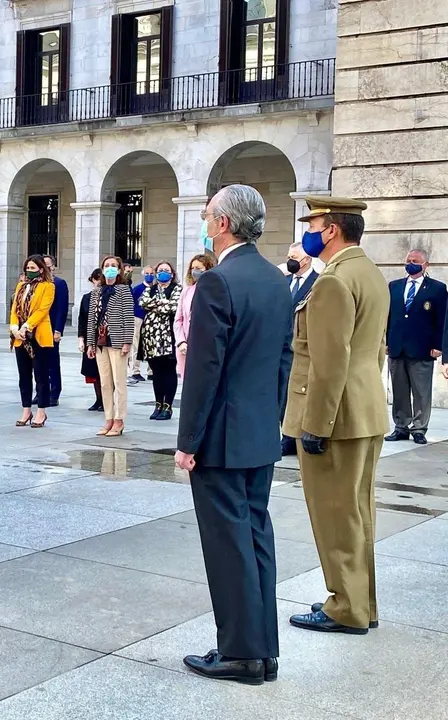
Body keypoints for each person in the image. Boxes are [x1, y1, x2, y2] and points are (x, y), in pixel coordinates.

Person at [175, 184, 293, 686]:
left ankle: (240, 654)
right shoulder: (276, 280)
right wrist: (270, 420)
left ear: (223, 223)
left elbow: (204, 370)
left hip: (221, 438)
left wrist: (188, 442)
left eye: (208, 216)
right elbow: (284, 361)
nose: (205, 223)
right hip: (259, 432)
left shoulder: (217, 283)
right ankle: (262, 650)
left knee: (228, 545)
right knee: (256, 536)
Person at [283, 196, 388, 636]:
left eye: (313, 225)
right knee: (357, 514)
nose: (308, 233)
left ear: (331, 230)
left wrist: (316, 424)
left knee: (336, 515)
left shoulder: (333, 281)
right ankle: (361, 603)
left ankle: (345, 607)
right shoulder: (370, 273)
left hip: (336, 416)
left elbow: (329, 362)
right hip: (364, 408)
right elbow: (375, 351)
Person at [385, 249, 447, 445]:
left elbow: (442, 320)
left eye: (415, 261)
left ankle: (419, 428)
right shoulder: (394, 286)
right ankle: (401, 426)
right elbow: (387, 316)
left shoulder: (437, 288)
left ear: (425, 264)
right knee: (399, 390)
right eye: (408, 260)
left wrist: (438, 346)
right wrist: (386, 341)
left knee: (421, 392)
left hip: (423, 348)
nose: (410, 264)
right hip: (397, 347)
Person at [87, 255, 135, 437]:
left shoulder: (124, 290)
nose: (110, 268)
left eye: (113, 265)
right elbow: (92, 319)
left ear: (119, 269)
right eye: (107, 265)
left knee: (119, 382)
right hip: (100, 341)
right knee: (105, 382)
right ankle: (108, 417)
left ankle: (119, 419)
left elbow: (128, 317)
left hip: (117, 341)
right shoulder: (96, 292)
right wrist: (90, 343)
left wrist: (127, 342)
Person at [281, 243, 319, 456]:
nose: (290, 261)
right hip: (280, 347)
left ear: (307, 260)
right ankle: (285, 433)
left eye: (294, 258)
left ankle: (293, 437)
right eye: (289, 257)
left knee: (298, 393)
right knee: (282, 393)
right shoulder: (284, 282)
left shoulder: (318, 283)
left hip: (302, 347)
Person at [10, 255, 56, 428]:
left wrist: (26, 326)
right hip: (20, 337)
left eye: (33, 268)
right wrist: (15, 328)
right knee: (23, 375)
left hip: (38, 336)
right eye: (27, 268)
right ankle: (26, 410)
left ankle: (41, 411)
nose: (29, 271)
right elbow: (14, 309)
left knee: (41, 375)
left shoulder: (48, 286)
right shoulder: (21, 286)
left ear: (41, 270)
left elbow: (42, 310)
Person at [139, 260, 182, 420]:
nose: (163, 273)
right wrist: (162, 303)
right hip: (151, 337)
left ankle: (167, 406)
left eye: (166, 270)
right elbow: (142, 302)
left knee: (168, 371)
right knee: (156, 371)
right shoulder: (150, 289)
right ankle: (158, 404)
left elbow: (173, 307)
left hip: (168, 337)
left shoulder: (177, 289)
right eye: (160, 270)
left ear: (172, 273)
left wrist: (155, 305)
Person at [174, 254, 215, 379]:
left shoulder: (214, 291)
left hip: (206, 346)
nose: (194, 271)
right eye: (192, 268)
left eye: (198, 268)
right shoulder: (187, 291)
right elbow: (178, 319)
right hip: (186, 346)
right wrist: (181, 341)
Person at [42, 255, 68, 406]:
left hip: (52, 328)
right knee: (39, 364)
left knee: (52, 362)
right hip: (38, 329)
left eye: (47, 264)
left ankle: (54, 392)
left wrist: (58, 330)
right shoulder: (37, 284)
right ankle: (41, 392)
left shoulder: (59, 283)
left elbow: (62, 309)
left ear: (53, 266)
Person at [78, 269, 104, 412]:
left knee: (105, 372)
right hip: (90, 338)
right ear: (92, 280)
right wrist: (81, 339)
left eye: (101, 278)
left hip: (105, 338)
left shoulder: (110, 296)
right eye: (96, 278)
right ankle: (98, 399)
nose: (99, 281)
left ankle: (106, 400)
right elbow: (82, 320)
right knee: (93, 371)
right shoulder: (87, 298)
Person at [129, 266, 153, 384]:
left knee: (151, 345)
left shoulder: (156, 289)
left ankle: (151, 371)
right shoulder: (137, 289)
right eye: (147, 273)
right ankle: (135, 371)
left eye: (151, 273)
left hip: (152, 319)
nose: (149, 276)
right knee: (135, 344)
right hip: (138, 318)